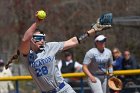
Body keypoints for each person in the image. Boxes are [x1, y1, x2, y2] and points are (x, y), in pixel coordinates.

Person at [19, 11, 111, 93]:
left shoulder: (50, 47)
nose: (42, 40)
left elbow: (73, 41)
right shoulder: (27, 55)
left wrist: (92, 31)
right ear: (31, 40)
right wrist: (36, 23)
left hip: (64, 89)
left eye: (43, 38)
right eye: (38, 38)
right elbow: (25, 39)